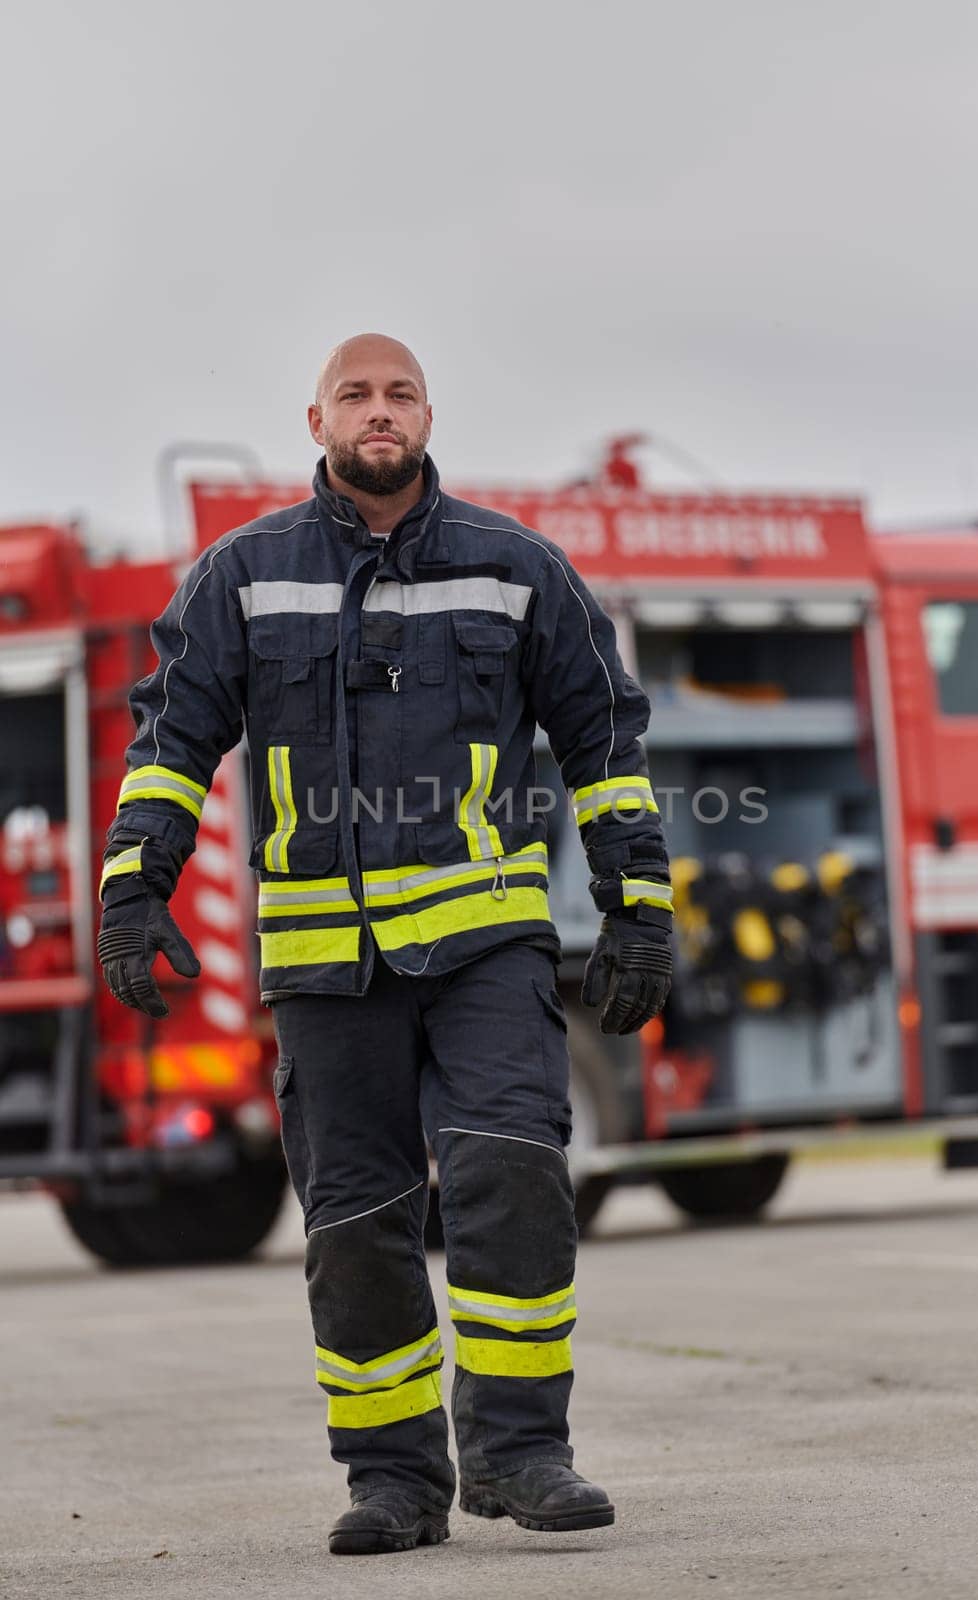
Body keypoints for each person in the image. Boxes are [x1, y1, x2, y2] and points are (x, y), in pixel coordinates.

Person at [96, 334, 674, 1556]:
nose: (377, 411)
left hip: (484, 949)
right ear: (316, 418)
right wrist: (133, 890)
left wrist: (636, 903)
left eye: (397, 393)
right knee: (355, 1224)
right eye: (355, 394)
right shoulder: (240, 575)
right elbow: (170, 741)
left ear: (425, 414)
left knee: (510, 1174)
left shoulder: (516, 568)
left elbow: (602, 738)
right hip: (325, 966)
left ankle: (522, 1453)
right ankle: (394, 1480)